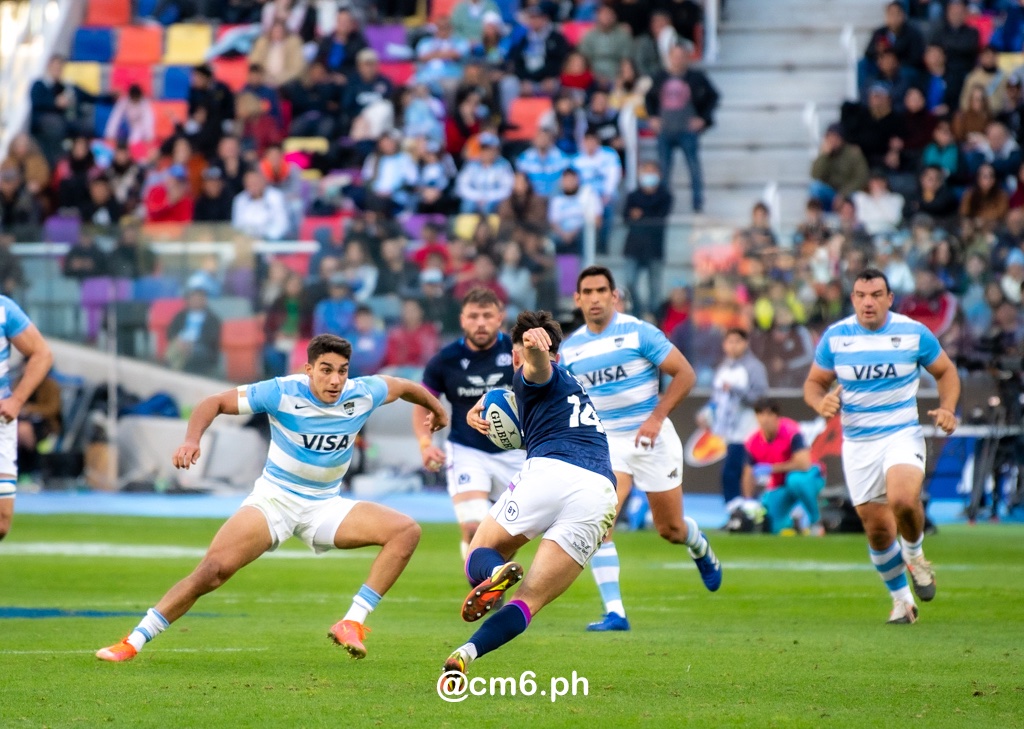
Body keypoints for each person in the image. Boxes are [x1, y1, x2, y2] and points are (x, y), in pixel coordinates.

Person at [96, 334, 449, 662]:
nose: (335, 380)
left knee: (406, 531)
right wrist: (191, 440)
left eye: (342, 371)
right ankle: (134, 641)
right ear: (308, 369)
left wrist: (437, 409)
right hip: (275, 501)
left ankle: (352, 622)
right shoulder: (281, 392)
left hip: (325, 506)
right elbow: (214, 402)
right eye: (325, 370)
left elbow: (404, 387)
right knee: (212, 572)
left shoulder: (363, 392)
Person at [440, 310, 618, 682]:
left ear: (519, 352)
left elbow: (537, 372)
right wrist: (486, 402)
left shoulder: (533, 371)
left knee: (477, 554)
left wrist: (534, 350)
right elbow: (522, 399)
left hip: (552, 471)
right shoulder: (573, 388)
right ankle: (465, 653)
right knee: (529, 601)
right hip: (601, 492)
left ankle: (495, 572)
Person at [559, 266, 719, 632]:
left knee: (670, 529)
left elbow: (685, 374)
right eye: (588, 291)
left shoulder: (639, 332)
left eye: (602, 290)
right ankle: (615, 613)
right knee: (602, 523)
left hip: (651, 439)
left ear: (614, 296)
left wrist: (656, 417)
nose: (596, 297)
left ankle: (698, 545)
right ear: (578, 298)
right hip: (606, 445)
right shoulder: (570, 350)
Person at [803, 268, 960, 624]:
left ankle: (916, 556)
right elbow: (814, 383)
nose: (867, 302)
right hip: (859, 443)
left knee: (903, 500)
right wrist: (820, 402)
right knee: (876, 530)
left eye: (875, 295)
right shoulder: (836, 338)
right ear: (853, 299)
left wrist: (948, 408)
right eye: (860, 295)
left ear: (890, 298)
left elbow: (946, 372)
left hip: (901, 434)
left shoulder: (913, 333)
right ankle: (902, 601)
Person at [413, 288, 524, 559]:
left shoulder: (517, 354)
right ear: (462, 320)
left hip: (517, 453)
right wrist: (425, 444)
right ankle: (486, 592)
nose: (481, 322)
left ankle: (491, 580)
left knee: (505, 536)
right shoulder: (444, 360)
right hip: (466, 450)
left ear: (500, 318)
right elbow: (422, 404)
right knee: (474, 527)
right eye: (473, 316)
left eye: (487, 315)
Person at [697, 328, 769, 508]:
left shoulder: (754, 367)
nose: (733, 346)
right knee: (731, 473)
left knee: (738, 472)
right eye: (729, 342)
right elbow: (717, 398)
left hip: (748, 431)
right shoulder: (724, 368)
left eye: (737, 341)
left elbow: (761, 398)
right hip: (729, 431)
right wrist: (706, 412)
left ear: (746, 343)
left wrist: (736, 391)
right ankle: (736, 511)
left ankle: (744, 509)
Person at [0, 297, 52, 539]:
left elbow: (42, 353)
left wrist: (17, 400)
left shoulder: (4, 309)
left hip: (1, 422)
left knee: (2, 521)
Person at [645, 44, 719, 214]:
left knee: (693, 167)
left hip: (687, 130)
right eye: (675, 56)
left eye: (681, 56)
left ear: (687, 58)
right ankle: (662, 204)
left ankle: (697, 202)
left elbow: (713, 96)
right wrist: (653, 117)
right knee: (664, 168)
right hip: (666, 130)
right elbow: (649, 98)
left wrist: (703, 119)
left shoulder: (696, 77)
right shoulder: (660, 77)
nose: (678, 60)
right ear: (669, 58)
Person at [738, 398, 825, 535]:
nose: (764, 419)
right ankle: (794, 523)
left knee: (795, 480)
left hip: (810, 476)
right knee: (770, 525)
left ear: (776, 417)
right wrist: (748, 500)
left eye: (769, 414)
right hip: (780, 484)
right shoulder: (753, 441)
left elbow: (804, 464)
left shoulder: (791, 432)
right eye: (760, 414)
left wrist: (772, 468)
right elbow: (748, 472)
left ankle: (816, 522)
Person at [165, 287, 223, 376]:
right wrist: (178, 340)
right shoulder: (181, 315)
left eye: (199, 299)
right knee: (173, 351)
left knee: (195, 353)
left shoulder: (212, 318)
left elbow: (212, 338)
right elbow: (171, 331)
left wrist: (191, 344)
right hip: (181, 342)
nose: (196, 301)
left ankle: (178, 373)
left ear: (204, 300)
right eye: (193, 299)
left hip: (200, 346)